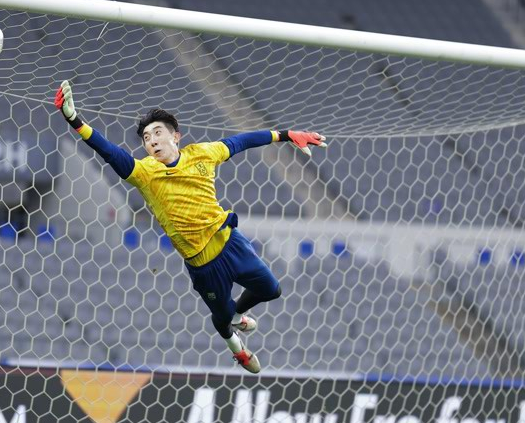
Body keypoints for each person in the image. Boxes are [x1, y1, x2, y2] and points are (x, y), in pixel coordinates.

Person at [53, 80, 327, 373]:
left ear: (176, 137)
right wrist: (75, 120)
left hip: (230, 243)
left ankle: (236, 314)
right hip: (202, 264)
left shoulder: (203, 153)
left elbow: (242, 141)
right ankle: (238, 348)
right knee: (220, 321)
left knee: (271, 289)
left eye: (158, 133)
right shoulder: (144, 173)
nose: (152, 141)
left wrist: (285, 135)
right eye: (146, 138)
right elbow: (108, 152)